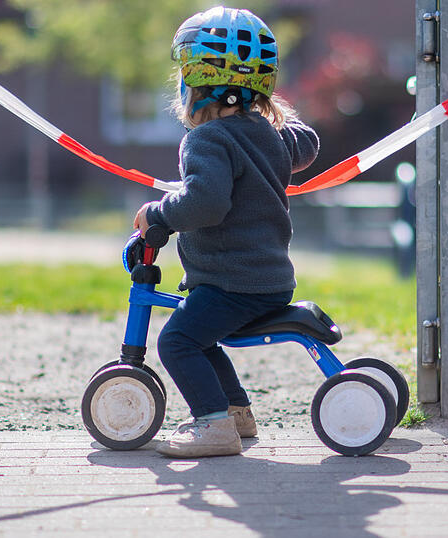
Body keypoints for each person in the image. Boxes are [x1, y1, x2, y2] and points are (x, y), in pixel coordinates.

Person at [132, 7, 319, 458]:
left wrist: (158, 215)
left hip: (232, 283)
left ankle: (214, 426)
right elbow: (308, 142)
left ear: (193, 84)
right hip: (268, 280)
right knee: (200, 338)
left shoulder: (207, 139)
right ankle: (236, 413)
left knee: (177, 341)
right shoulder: (270, 135)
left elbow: (206, 203)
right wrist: (266, 111)